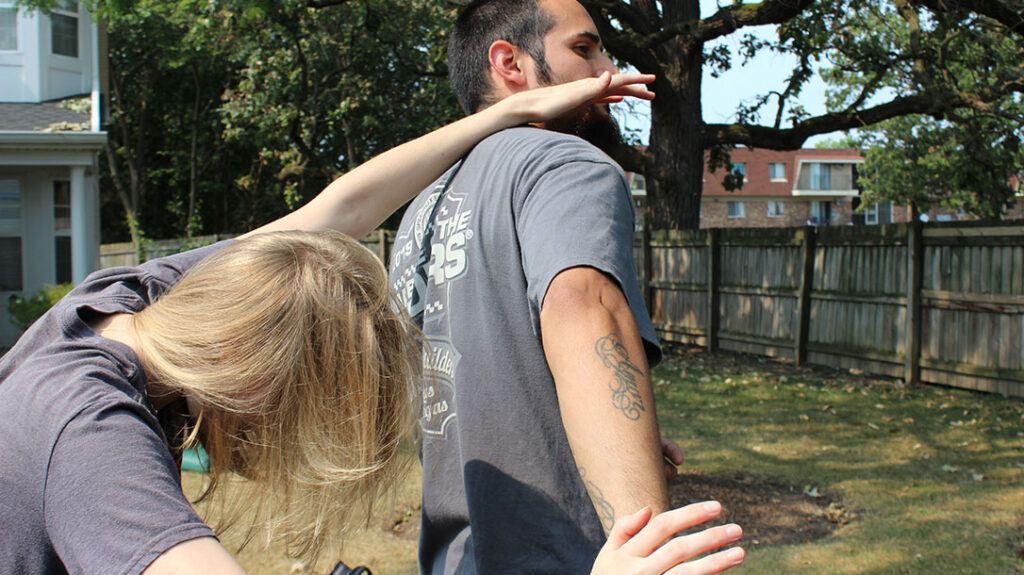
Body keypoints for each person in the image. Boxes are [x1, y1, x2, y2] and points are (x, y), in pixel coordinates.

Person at [0, 73, 740, 575]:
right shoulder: (92, 440)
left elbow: (341, 210)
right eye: (309, 412)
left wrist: (510, 112)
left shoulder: (135, 303)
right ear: (249, 367)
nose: (295, 442)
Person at [388, 0, 745, 573]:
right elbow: (584, 307)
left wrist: (611, 441)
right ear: (510, 63)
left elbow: (467, 388)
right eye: (584, 49)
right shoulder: (563, 162)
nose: (608, 72)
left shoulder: (421, 211)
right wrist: (647, 549)